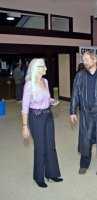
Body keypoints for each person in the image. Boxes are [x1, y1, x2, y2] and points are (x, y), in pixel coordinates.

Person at [21, 58, 63, 188]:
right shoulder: (29, 85)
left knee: (51, 145)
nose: (46, 68)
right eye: (43, 66)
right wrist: (24, 126)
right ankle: (39, 177)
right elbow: (25, 106)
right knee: (40, 147)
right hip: (36, 117)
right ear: (36, 69)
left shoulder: (45, 81)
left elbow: (46, 97)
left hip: (48, 116)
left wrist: (51, 101)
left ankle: (52, 173)